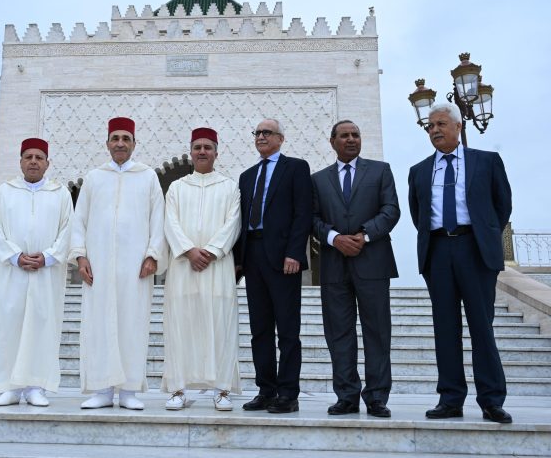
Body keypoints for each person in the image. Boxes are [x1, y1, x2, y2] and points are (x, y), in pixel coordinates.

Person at [408, 102, 513, 424]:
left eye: (441, 124)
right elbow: (417, 213)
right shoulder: (419, 170)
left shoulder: (487, 161)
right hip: (438, 250)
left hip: (475, 250)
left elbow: (502, 206)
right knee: (445, 328)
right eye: (430, 126)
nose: (434, 130)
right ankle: (450, 399)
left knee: (481, 326)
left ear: (458, 126)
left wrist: (482, 235)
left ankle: (491, 400)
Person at [70, 117, 166, 410]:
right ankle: (101, 390)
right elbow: (79, 220)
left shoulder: (147, 177)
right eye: (116, 138)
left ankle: (128, 391)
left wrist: (152, 254)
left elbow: (158, 218)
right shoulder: (94, 177)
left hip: (135, 268)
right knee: (98, 324)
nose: (120, 143)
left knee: (132, 323)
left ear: (134, 144)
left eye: (126, 138)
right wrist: (80, 256)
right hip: (98, 265)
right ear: (107, 143)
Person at [311, 120, 400, 418]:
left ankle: (377, 397)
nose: (351, 139)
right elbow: (312, 218)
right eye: (345, 135)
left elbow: (391, 210)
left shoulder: (380, 171)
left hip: (373, 262)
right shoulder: (318, 180)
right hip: (334, 266)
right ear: (332, 141)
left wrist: (365, 235)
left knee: (377, 332)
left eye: (356, 135)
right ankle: (346, 396)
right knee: (339, 333)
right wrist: (334, 238)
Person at [233, 118, 311, 413]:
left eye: (267, 132)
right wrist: (239, 261)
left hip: (283, 258)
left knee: (288, 330)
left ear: (280, 138)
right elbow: (241, 220)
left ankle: (288, 393)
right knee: (260, 329)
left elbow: (303, 212)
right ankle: (266, 390)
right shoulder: (247, 176)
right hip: (253, 257)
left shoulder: (296, 168)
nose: (261, 137)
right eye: (257, 133)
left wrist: (295, 253)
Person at [0, 138, 72, 407]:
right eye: (28, 157)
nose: (33, 162)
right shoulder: (5, 192)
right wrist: (15, 256)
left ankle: (37, 387)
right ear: (21, 161)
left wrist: (48, 257)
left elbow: (68, 230)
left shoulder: (60, 193)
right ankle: (10, 387)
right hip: (13, 272)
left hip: (46, 273)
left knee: (42, 326)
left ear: (47, 163)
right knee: (9, 325)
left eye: (39, 157)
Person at [162, 127, 242, 411]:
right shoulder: (177, 187)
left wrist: (210, 252)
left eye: (208, 147)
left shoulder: (229, 187)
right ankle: (177, 389)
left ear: (217, 153)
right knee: (180, 325)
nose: (202, 152)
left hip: (217, 267)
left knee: (220, 325)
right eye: (197, 147)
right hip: (183, 268)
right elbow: (170, 222)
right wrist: (189, 251)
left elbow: (233, 223)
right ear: (191, 152)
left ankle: (222, 390)